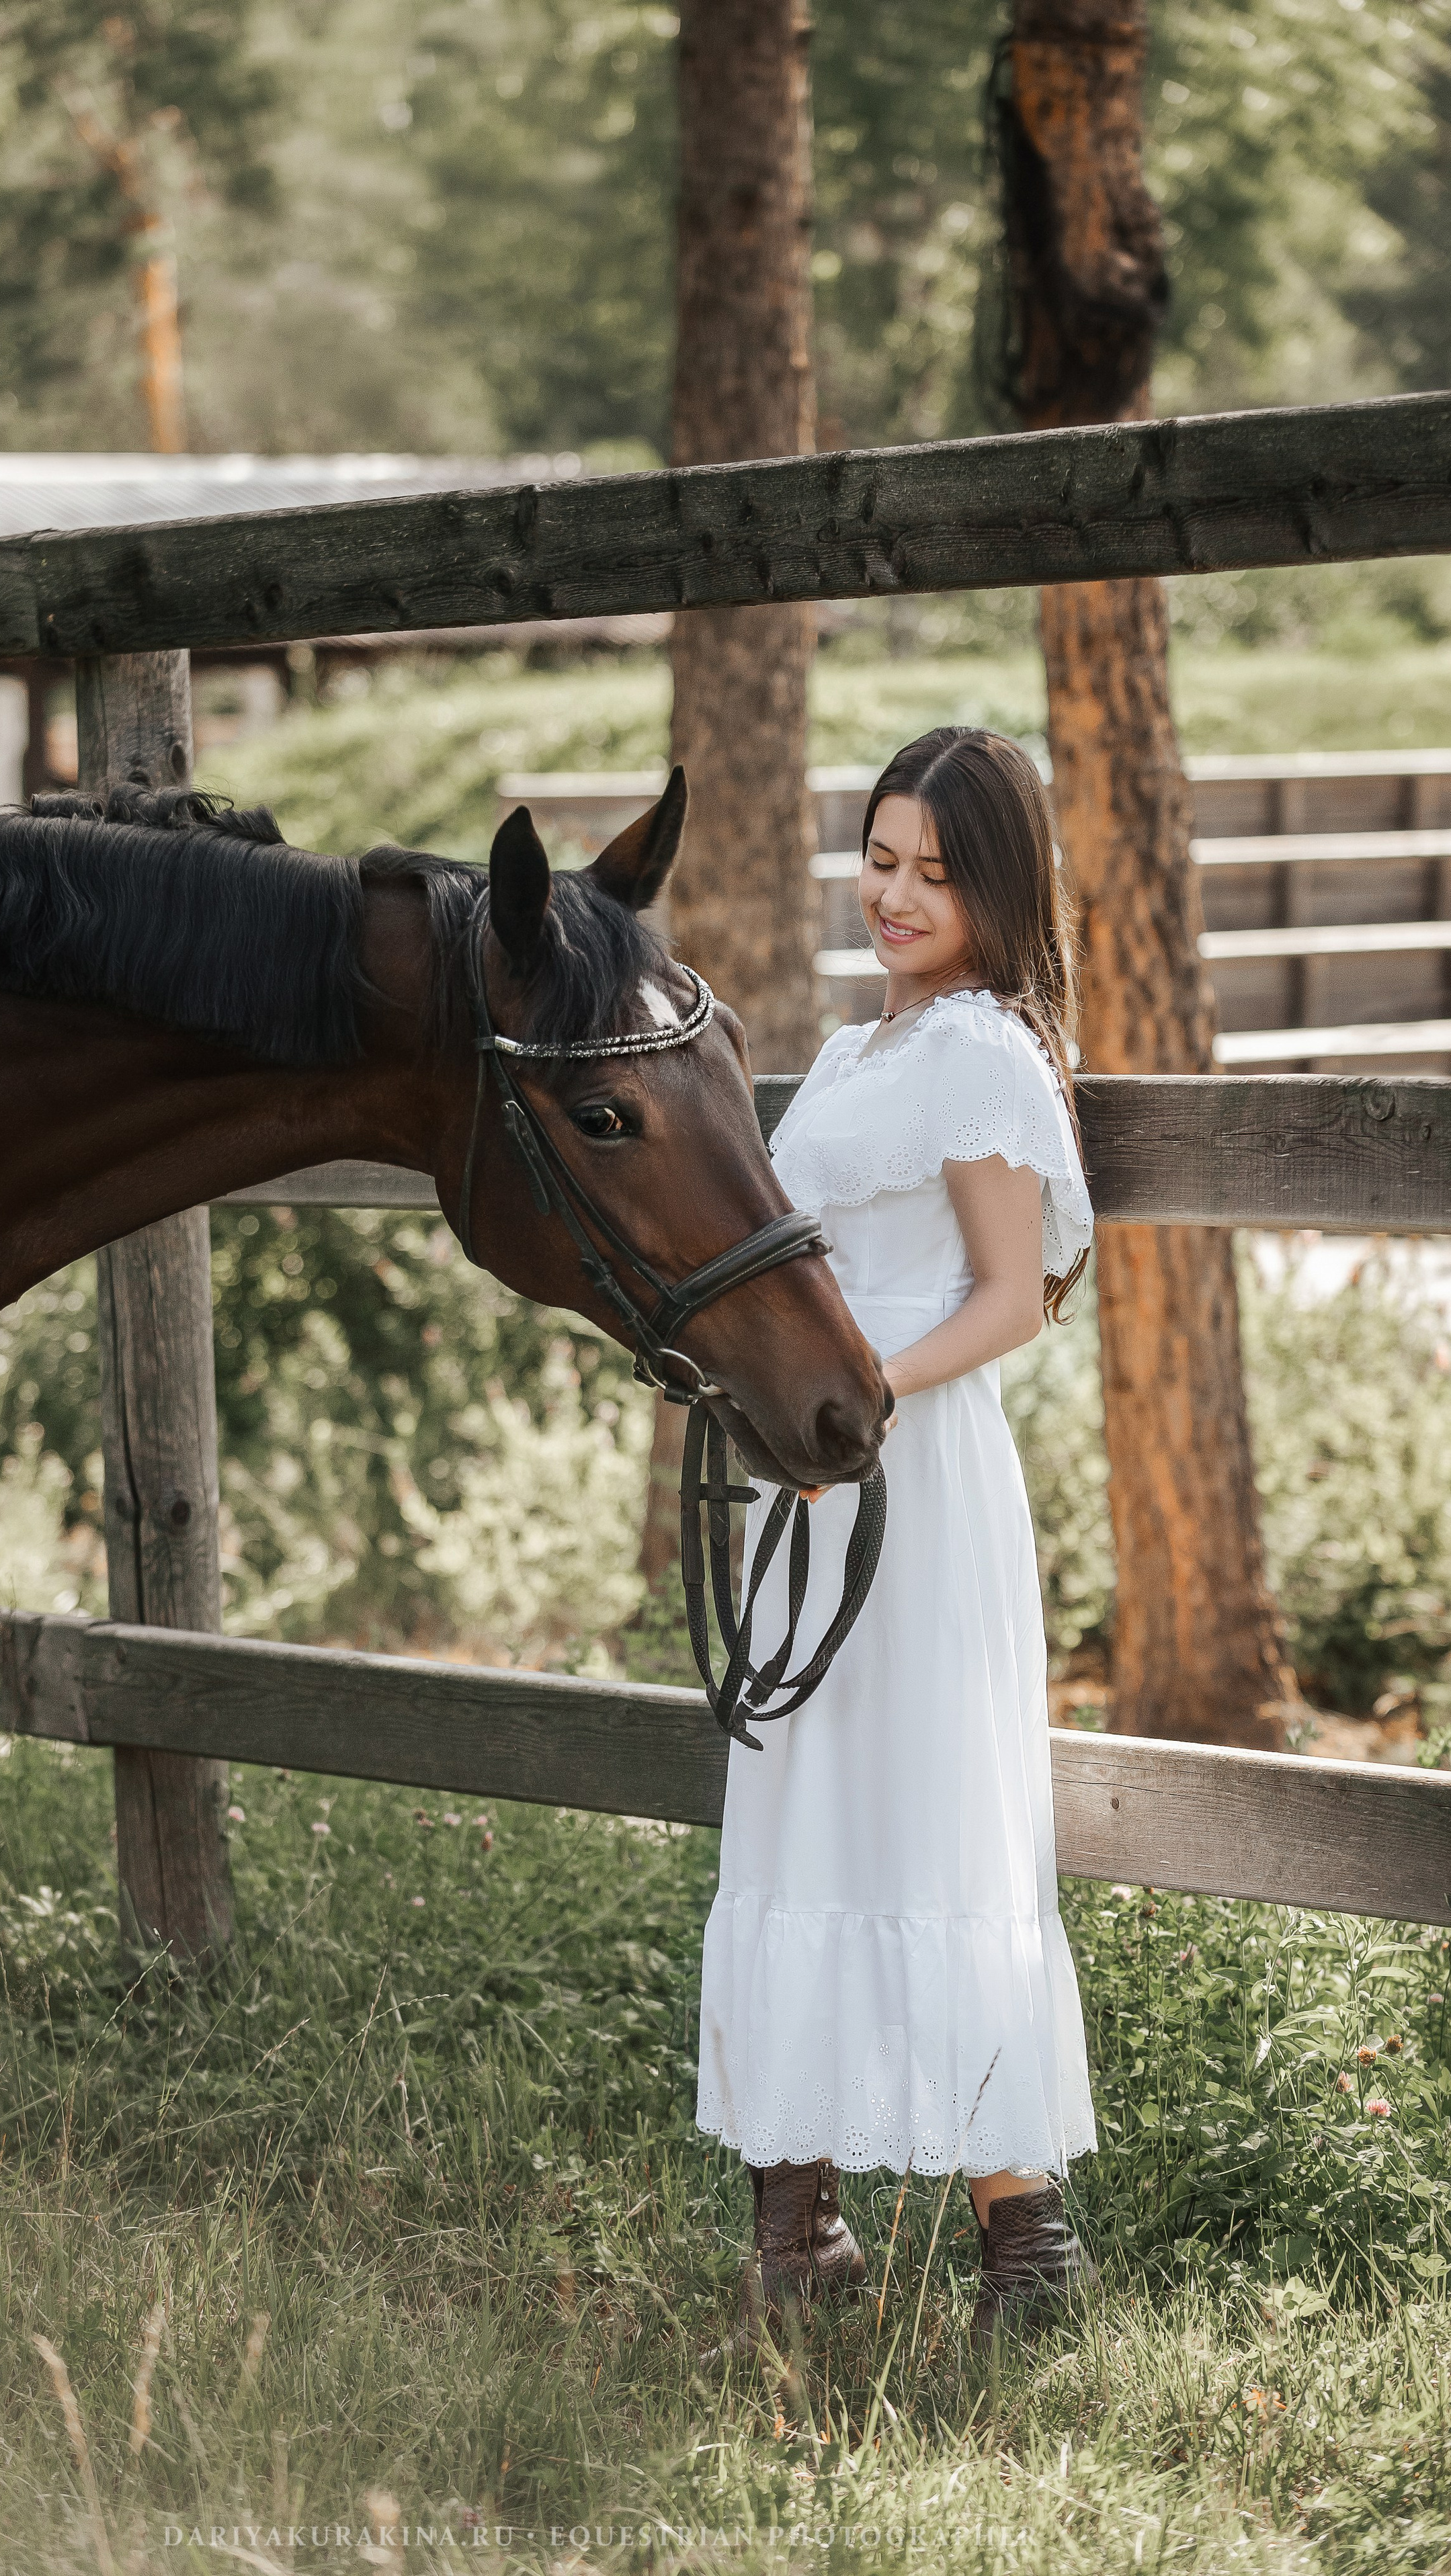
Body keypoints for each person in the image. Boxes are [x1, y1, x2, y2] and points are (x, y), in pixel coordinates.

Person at [696, 725, 1099, 2354]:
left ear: (995, 890)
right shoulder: (857, 1057)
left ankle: (1026, 2248)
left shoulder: (986, 1055)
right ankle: (799, 2234)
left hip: (908, 1480)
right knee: (799, 1823)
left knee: (931, 1825)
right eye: (879, 860)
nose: (896, 894)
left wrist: (856, 1403)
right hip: (808, 1474)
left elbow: (1009, 1299)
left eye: (935, 872)